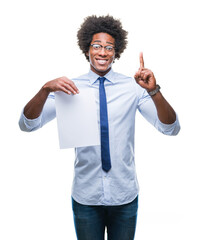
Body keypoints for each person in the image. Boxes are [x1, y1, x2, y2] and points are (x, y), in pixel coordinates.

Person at [19, 15, 180, 240]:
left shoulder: (133, 87)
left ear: (116, 52)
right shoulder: (68, 88)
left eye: (109, 47)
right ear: (87, 50)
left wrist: (154, 91)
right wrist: (45, 89)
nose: (102, 52)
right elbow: (27, 124)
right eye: (96, 46)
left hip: (124, 195)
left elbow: (170, 128)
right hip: (86, 197)